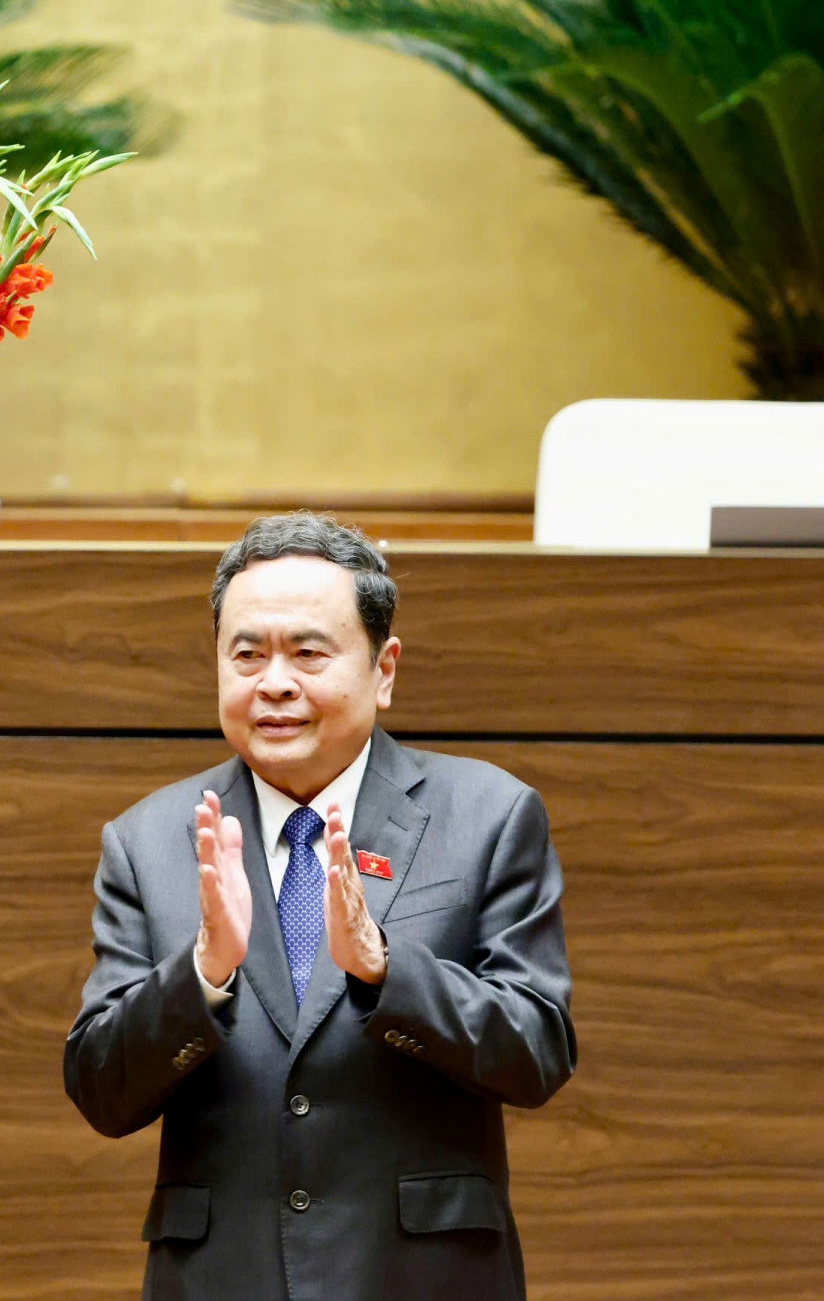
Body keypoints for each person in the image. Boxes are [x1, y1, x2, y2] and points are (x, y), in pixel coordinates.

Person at [64, 512, 576, 1301]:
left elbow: (539, 1051)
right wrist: (202, 974)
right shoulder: (150, 839)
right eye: (247, 654)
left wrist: (385, 969)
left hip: (422, 1278)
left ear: (384, 667)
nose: (274, 682)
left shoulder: (488, 815)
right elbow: (101, 1090)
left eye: (308, 652)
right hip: (221, 1279)